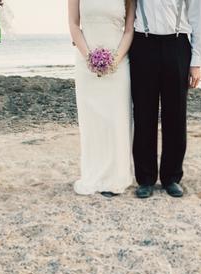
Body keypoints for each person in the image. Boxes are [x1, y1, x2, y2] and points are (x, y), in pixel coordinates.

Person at [129, 0, 201, 198]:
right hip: (143, 44)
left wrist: (196, 63)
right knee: (143, 114)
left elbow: (199, 20)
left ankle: (171, 177)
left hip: (177, 44)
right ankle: (145, 178)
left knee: (176, 115)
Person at [68, 0, 136, 197]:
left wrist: (114, 60)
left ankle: (117, 176)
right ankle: (93, 174)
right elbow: (73, 24)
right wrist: (89, 58)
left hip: (118, 63)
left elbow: (129, 30)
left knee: (117, 121)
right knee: (93, 122)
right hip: (86, 63)